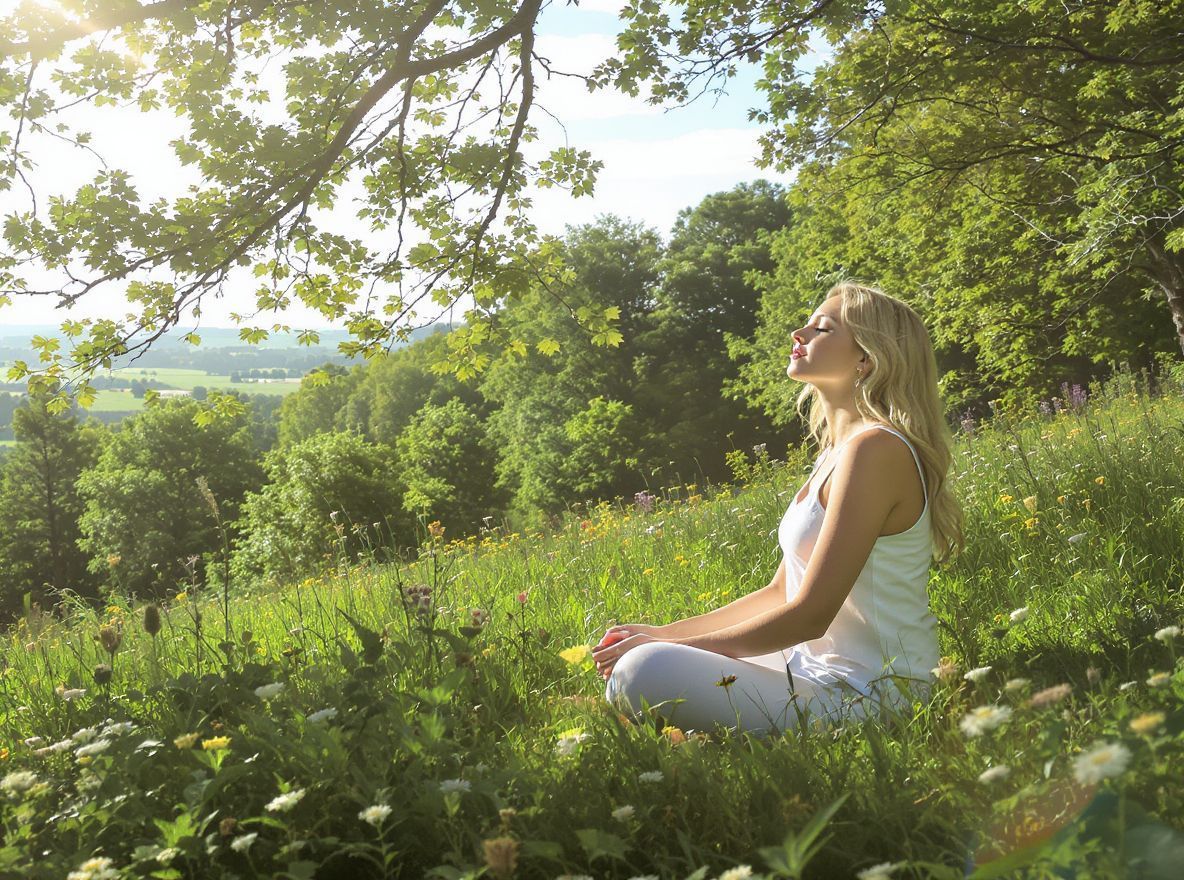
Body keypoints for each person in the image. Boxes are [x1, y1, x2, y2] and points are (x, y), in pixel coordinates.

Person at [592, 281, 965, 735]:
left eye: (821, 328)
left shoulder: (876, 451)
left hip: (874, 691)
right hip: (811, 667)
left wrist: (665, 645)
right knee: (643, 656)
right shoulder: (836, 453)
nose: (798, 333)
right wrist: (663, 632)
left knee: (642, 670)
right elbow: (780, 593)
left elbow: (809, 614)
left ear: (866, 358)